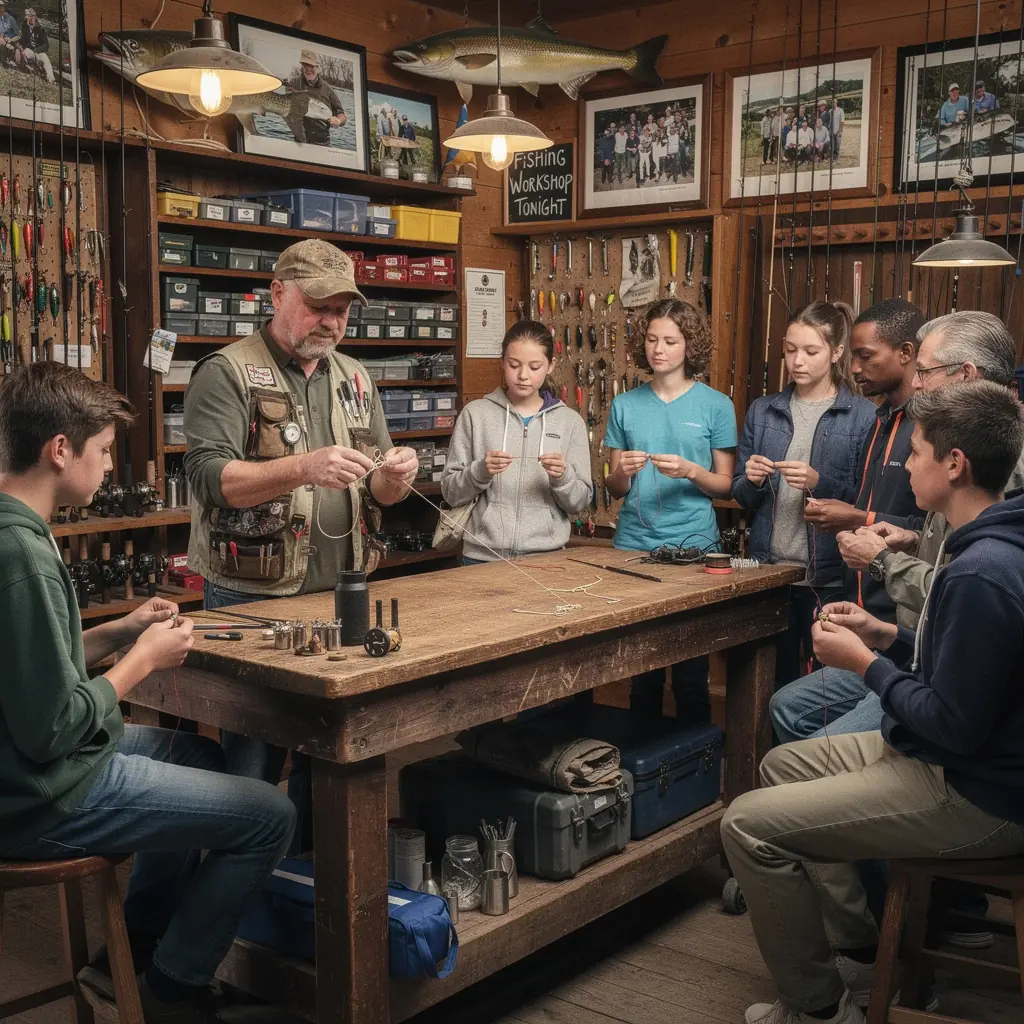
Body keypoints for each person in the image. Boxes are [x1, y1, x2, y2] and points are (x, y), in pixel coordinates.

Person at [0, 362, 296, 1024]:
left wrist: (119, 632)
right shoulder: (21, 555)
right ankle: (173, 988)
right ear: (60, 450)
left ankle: (137, 945)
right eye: (104, 450)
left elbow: (32, 669)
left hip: (29, 768)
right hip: (40, 796)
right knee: (271, 816)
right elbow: (53, 726)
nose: (110, 467)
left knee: (201, 756)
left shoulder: (13, 526)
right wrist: (143, 660)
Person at [722, 380, 1024, 1024]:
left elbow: (954, 724)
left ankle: (818, 1010)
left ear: (955, 464)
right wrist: (885, 635)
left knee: (744, 825)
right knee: (781, 766)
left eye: (916, 451)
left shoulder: (982, 570)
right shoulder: (987, 544)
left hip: (977, 792)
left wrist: (865, 664)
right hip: (959, 761)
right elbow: (965, 668)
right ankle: (862, 954)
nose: (906, 465)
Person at [183, 239, 419, 852]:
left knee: (330, 754)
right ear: (277, 294)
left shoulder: (355, 377)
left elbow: (381, 489)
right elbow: (208, 480)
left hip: (341, 594)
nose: (331, 322)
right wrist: (302, 468)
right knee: (253, 763)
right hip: (253, 597)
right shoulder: (227, 372)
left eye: (342, 310)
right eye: (319, 306)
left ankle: (311, 881)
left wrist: (396, 477)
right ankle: (240, 885)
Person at [772, 298, 926, 743]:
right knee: (786, 706)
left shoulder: (929, 427)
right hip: (860, 608)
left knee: (822, 750)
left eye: (865, 356)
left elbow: (930, 529)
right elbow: (864, 501)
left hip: (902, 625)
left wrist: (858, 516)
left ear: (905, 353)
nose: (855, 368)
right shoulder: (879, 421)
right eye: (853, 356)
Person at [605, 298, 737, 722]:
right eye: (651, 339)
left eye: (670, 341)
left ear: (689, 345)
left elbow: (725, 484)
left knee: (691, 674)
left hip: (693, 547)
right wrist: (622, 472)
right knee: (641, 671)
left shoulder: (716, 405)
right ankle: (642, 756)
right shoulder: (625, 405)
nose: (658, 349)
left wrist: (691, 471)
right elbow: (614, 488)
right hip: (635, 546)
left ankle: (696, 757)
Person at [733, 302, 876, 684]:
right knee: (766, 683)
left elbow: (866, 503)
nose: (797, 361)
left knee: (822, 691)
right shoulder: (763, 411)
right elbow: (742, 496)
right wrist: (752, 480)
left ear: (837, 352)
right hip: (769, 574)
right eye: (791, 349)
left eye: (811, 351)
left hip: (828, 579)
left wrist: (819, 481)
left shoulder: (863, 416)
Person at [441, 321, 591, 565]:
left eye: (534, 367)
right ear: (502, 362)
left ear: (551, 365)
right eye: (514, 365)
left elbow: (580, 503)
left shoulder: (570, 422)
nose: (523, 375)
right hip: (481, 558)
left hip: (547, 559)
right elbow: (451, 493)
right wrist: (480, 471)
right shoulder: (475, 414)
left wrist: (563, 478)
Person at [285, 48, 346, 145]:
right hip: (300, 141)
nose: (308, 70)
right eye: (305, 66)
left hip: (323, 142)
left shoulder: (328, 89)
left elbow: (341, 114)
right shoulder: (294, 83)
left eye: (311, 66)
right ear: (302, 66)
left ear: (317, 67)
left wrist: (338, 121)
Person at [15, 8, 53, 85]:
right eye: (28, 16)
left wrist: (37, 50)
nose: (30, 18)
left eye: (31, 16)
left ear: (34, 17)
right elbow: (23, 39)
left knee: (45, 59)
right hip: (29, 49)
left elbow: (46, 45)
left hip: (39, 51)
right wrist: (17, 44)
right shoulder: (25, 26)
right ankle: (31, 69)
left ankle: (51, 79)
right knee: (23, 53)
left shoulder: (40, 28)